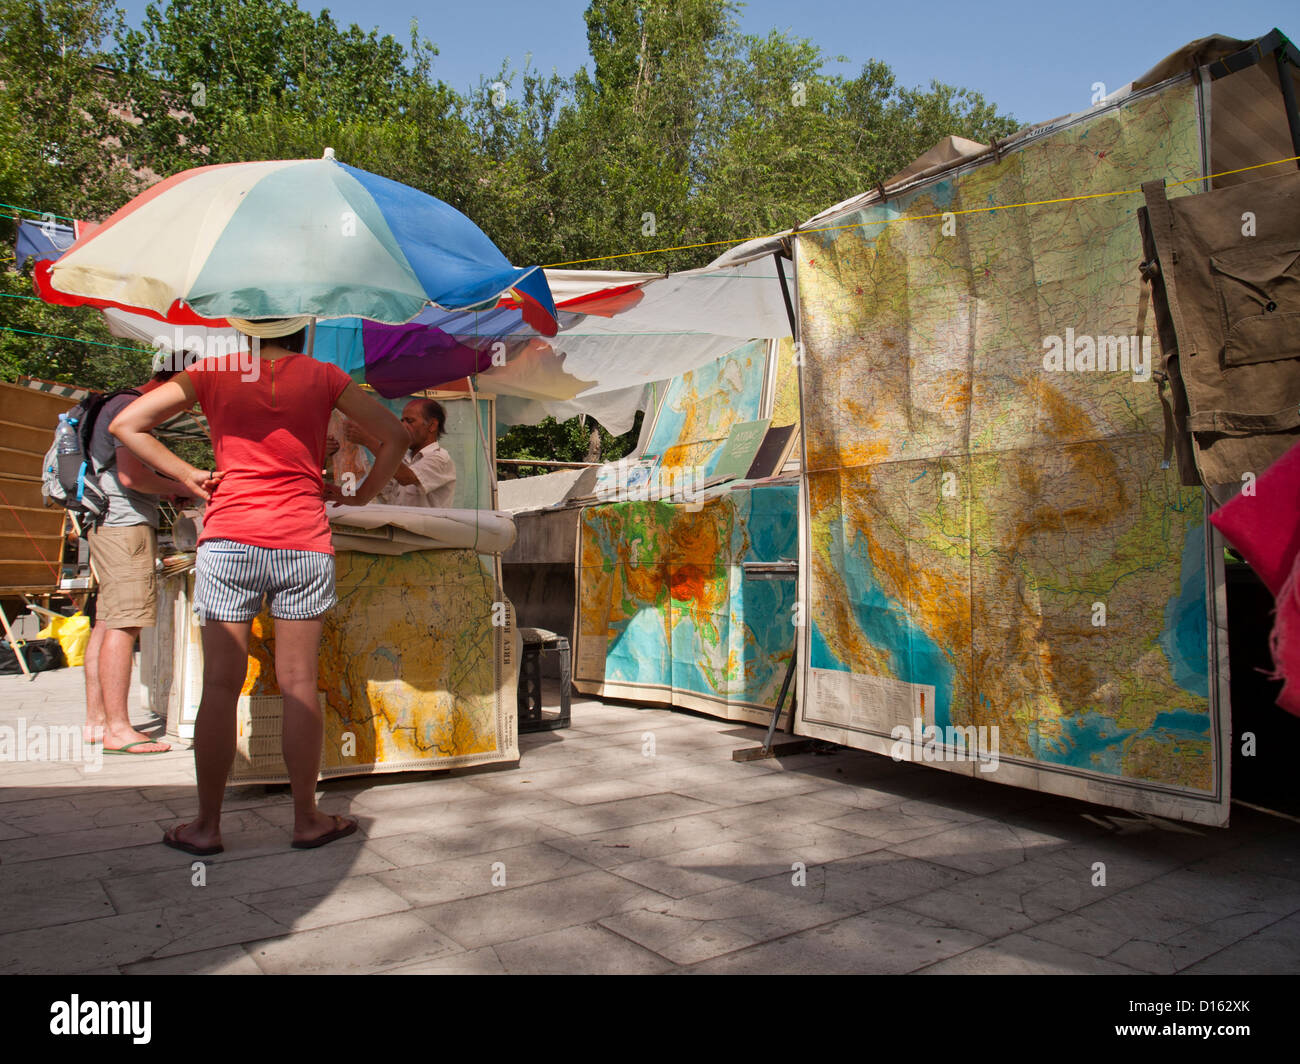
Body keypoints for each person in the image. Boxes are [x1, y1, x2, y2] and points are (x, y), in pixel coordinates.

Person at [109, 318, 408, 853]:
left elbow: (127, 426)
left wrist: (189, 474)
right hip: (303, 541)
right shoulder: (325, 375)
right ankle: (306, 818)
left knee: (220, 687)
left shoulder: (215, 371)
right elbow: (397, 435)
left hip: (229, 540)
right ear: (301, 331)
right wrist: (360, 496)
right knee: (299, 682)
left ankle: (206, 826)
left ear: (246, 332)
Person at [84, 368, 199, 755]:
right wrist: (183, 484)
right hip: (124, 524)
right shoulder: (130, 408)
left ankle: (98, 721)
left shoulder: (114, 401)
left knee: (107, 620)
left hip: (106, 521)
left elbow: (130, 475)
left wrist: (167, 491)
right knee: (126, 621)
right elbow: (133, 478)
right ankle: (118, 728)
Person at [344, 398, 456, 508]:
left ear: (432, 426)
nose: (403, 426)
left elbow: (405, 478)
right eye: (402, 421)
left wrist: (369, 441)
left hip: (422, 527)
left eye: (410, 421)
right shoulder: (404, 458)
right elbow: (379, 489)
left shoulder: (441, 458)